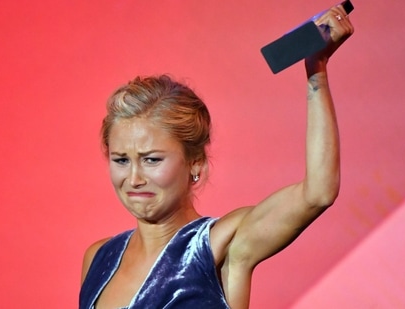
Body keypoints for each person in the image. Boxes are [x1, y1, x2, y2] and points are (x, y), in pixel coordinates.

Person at [80, 4, 354, 309]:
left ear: (195, 161)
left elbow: (317, 193)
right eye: (121, 160)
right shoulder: (98, 258)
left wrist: (316, 70)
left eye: (152, 159)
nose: (133, 178)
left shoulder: (221, 243)